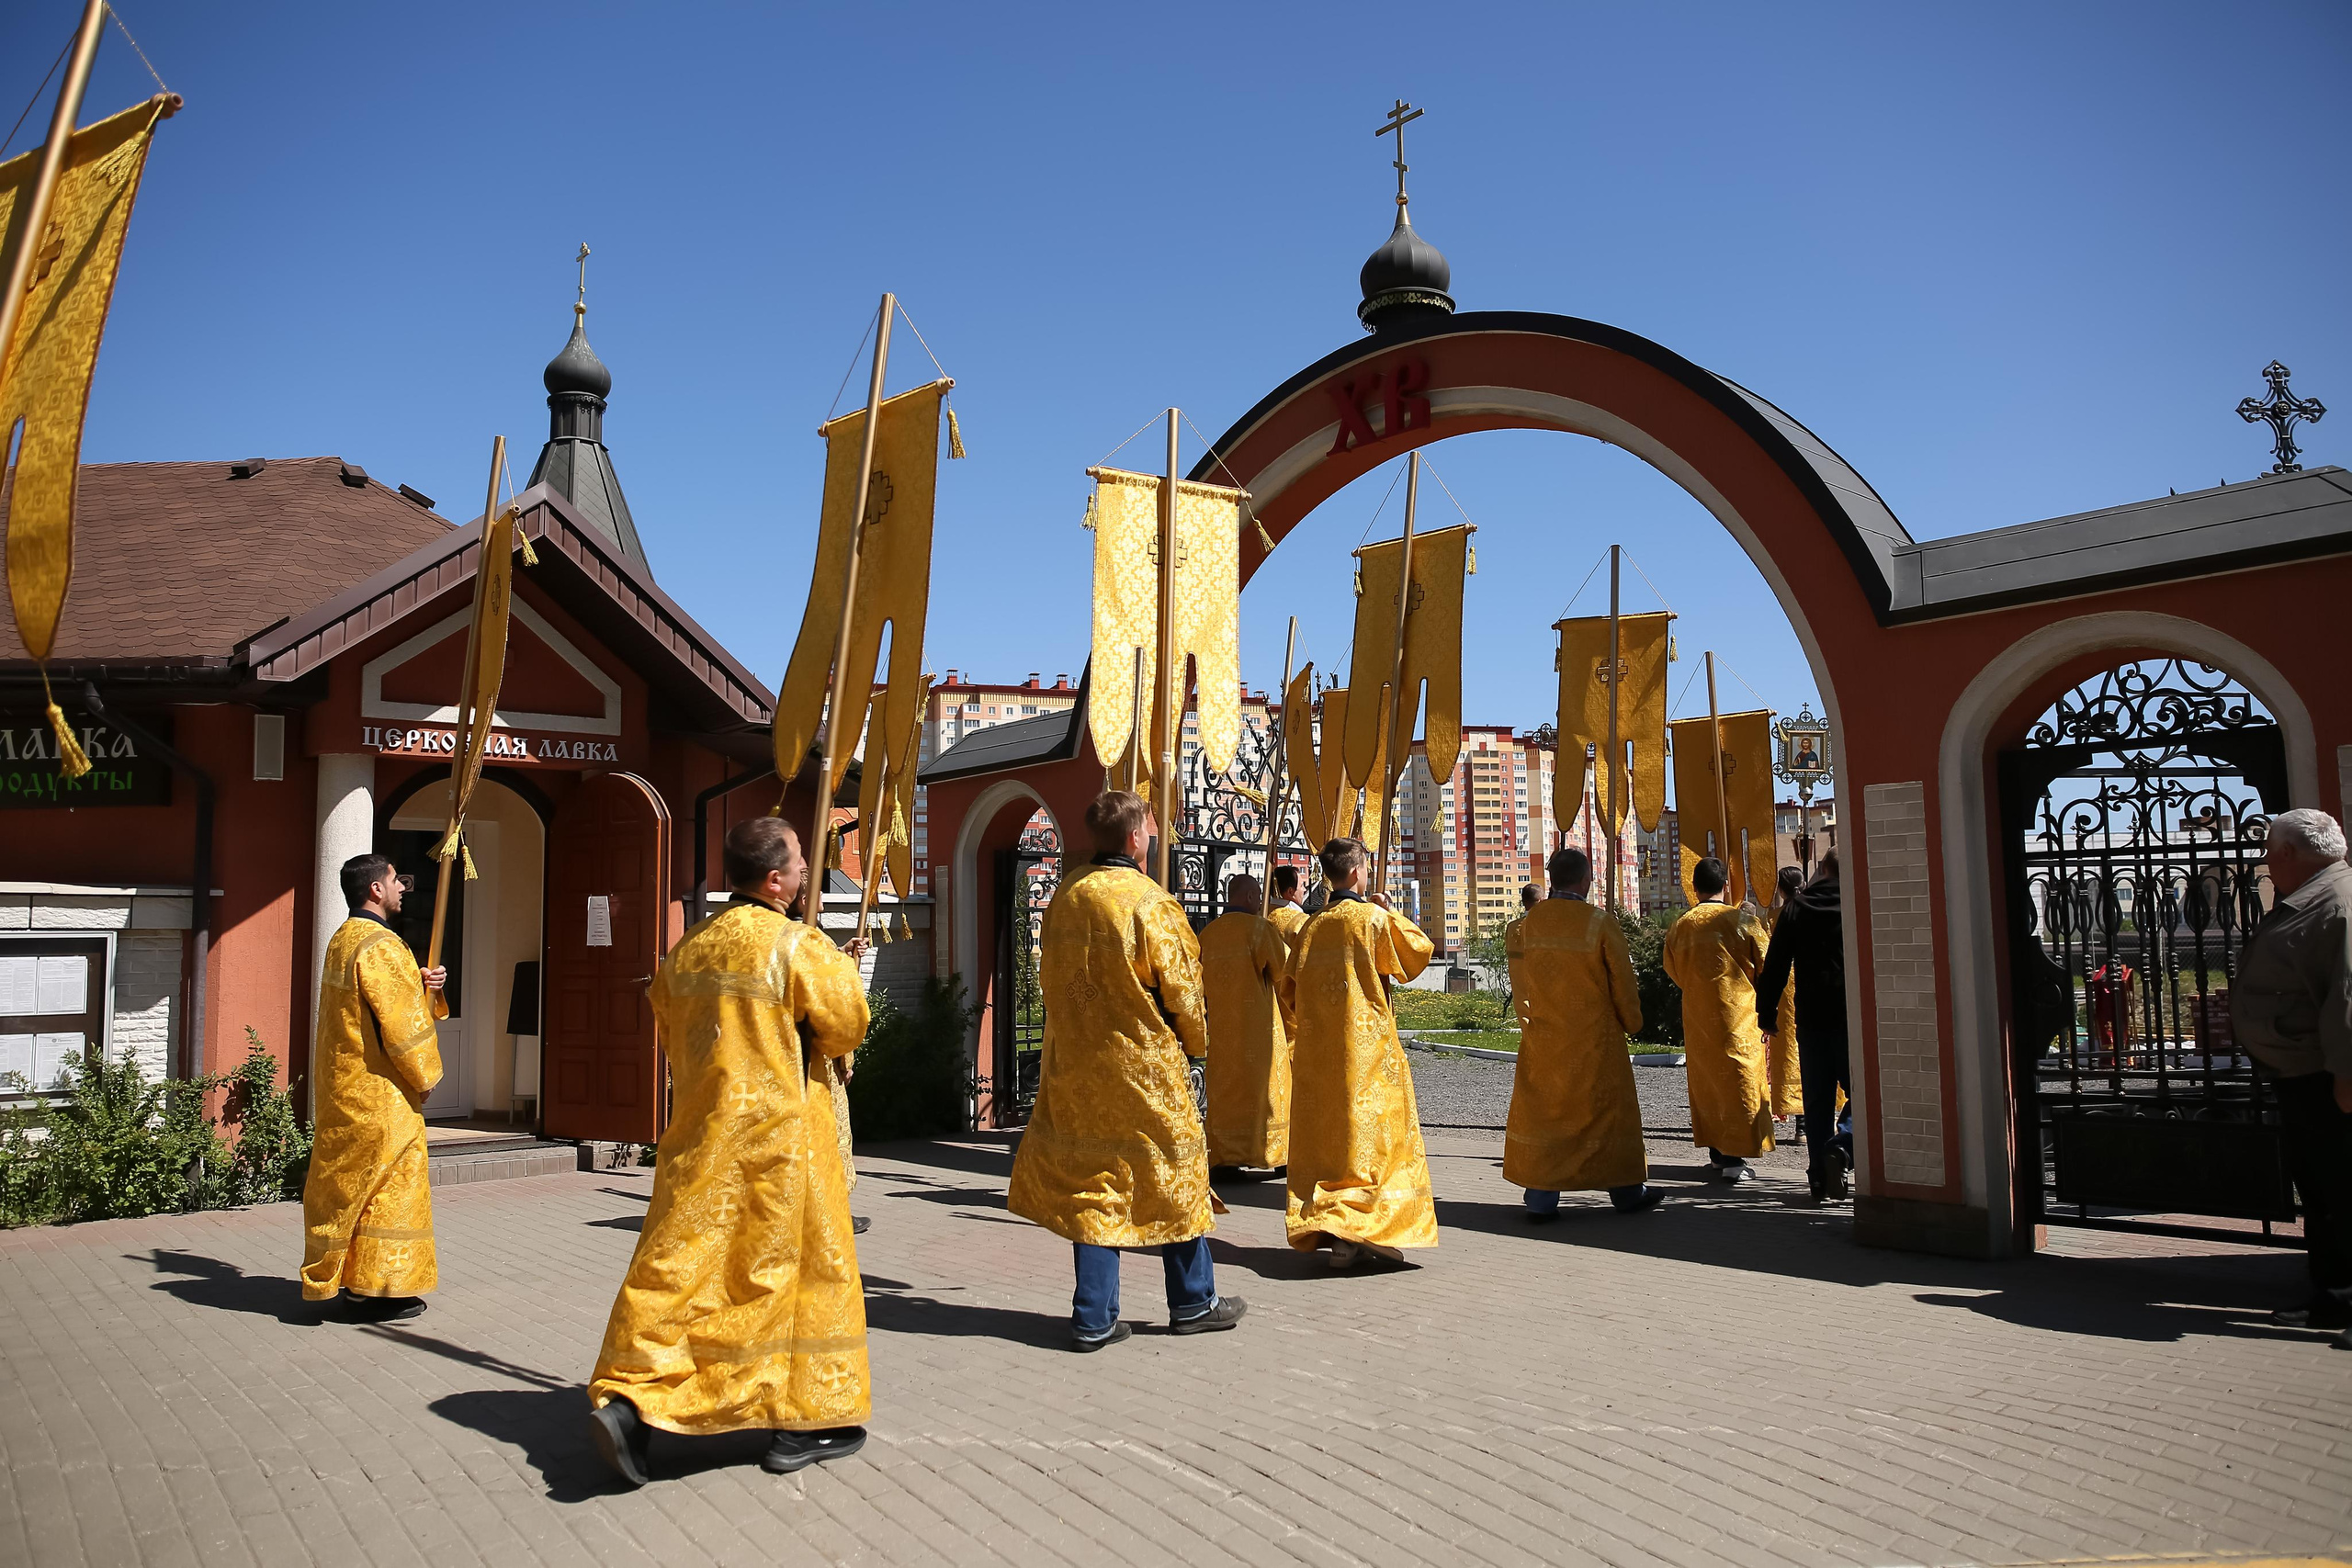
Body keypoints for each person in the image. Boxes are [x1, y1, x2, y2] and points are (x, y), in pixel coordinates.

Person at [587, 818, 872, 1486]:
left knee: (683, 1275)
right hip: (783, 1148)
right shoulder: (795, 945)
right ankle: (800, 1419)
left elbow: (674, 1031)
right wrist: (841, 973)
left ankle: (635, 1402)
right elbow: (847, 1024)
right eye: (802, 862)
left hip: (701, 1140)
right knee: (795, 1275)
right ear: (775, 879)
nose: (807, 871)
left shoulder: (688, 949)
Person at [1006, 791, 1247, 1349]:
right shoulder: (1150, 903)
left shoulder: (1065, 898)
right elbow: (1184, 991)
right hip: (1144, 1067)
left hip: (1079, 1066)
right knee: (1175, 1176)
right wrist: (1198, 1046)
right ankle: (1193, 1301)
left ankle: (1094, 1316)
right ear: (1136, 838)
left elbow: (1050, 977)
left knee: (1095, 1183)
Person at [300, 854, 448, 1321]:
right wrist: (425, 1076)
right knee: (390, 1188)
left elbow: (375, 1006)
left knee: (349, 1187)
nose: (403, 887)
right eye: (394, 879)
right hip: (381, 1090)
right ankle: (375, 1288)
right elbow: (400, 1027)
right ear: (375, 891)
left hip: (345, 1087)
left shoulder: (344, 939)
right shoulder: (382, 945)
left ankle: (348, 1279)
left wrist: (427, 986)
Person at [1280, 836, 1440, 1267]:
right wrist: (1388, 910)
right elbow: (1419, 953)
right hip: (1368, 1055)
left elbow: (1288, 991)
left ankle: (1334, 1224)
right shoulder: (1371, 920)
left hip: (1321, 1057)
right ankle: (1360, 1229)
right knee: (1373, 1141)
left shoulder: (1311, 927)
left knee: (1332, 1140)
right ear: (1355, 873)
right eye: (1366, 868)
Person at [2232, 808, 2352, 1344]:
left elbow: (2348, 1000)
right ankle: (2332, 1297)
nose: (2264, 862)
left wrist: (2348, 1075)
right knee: (2324, 1193)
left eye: (2268, 851)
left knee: (2345, 1190)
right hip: (2303, 1073)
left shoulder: (2338, 903)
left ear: (2286, 854)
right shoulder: (2311, 898)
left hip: (2328, 1078)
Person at [1504, 847, 1663, 1221]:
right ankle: (1625, 1192)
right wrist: (1633, 1021)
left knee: (1548, 1114)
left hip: (1545, 1037)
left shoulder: (1528, 924)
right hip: (1596, 1039)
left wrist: (1528, 1017)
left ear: (1553, 880)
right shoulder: (1599, 922)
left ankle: (1541, 1199)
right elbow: (1622, 980)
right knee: (1607, 1114)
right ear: (1586, 879)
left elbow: (1520, 979)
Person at [1666, 857, 1773, 1185]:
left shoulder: (1681, 926)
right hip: (1739, 1017)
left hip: (1698, 1019)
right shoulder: (1741, 922)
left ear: (1694, 888)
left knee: (1709, 1085)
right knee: (1738, 1082)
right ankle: (1733, 1159)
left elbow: (1673, 970)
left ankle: (1716, 1152)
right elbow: (1768, 966)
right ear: (1725, 886)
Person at [1758, 851, 1849, 1201]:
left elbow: (1777, 964)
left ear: (1822, 870)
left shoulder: (1797, 908)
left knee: (1817, 1101)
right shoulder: (1861, 902)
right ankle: (1843, 1147)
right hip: (1853, 1017)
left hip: (1811, 1017)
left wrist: (1766, 1012)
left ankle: (1817, 1177)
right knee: (1867, 1095)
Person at [1198, 874, 1293, 1174]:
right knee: (1265, 1094)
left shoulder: (1207, 935)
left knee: (1226, 1092)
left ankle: (1226, 1156)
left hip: (1223, 1033)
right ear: (1252, 898)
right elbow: (1284, 971)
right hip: (1259, 1033)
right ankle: (1273, 1154)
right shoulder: (1259, 929)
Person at [1765, 865, 1806, 1131]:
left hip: (1782, 991)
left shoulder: (1773, 917)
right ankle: (1808, 1121)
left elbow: (1766, 957)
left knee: (1788, 1052)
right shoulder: (1813, 911)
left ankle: (1796, 1115)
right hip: (1809, 983)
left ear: (1779, 888)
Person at [1266, 863, 1309, 943]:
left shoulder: (1261, 913)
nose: (1304, 890)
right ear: (1290, 891)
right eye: (1301, 886)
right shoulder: (1300, 921)